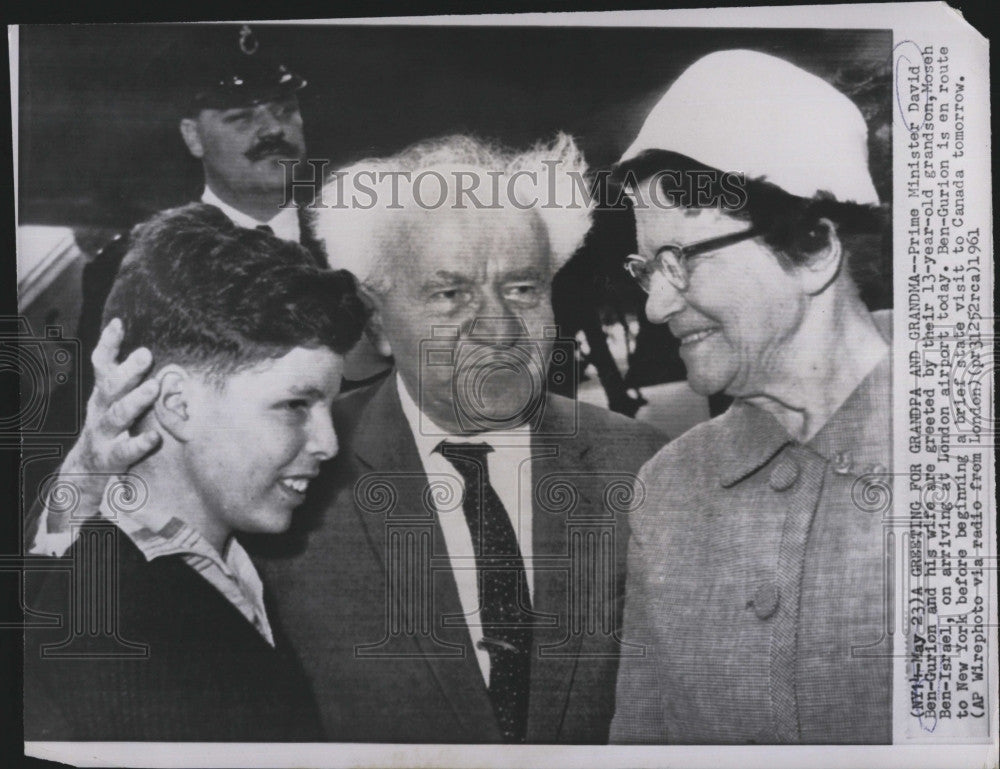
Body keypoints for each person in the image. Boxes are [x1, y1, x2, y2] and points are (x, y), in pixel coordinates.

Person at [250, 134, 668, 743]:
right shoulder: (295, 474)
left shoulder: (643, 467)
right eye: (451, 295)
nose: (499, 329)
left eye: (523, 289)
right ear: (377, 322)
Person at [608, 50, 892, 744]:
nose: (654, 305)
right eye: (647, 265)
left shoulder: (967, 445)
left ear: (814, 247)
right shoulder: (668, 488)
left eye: (682, 259)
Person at [24, 203, 367, 741]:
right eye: (296, 405)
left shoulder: (236, 554)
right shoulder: (107, 636)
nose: (328, 442)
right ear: (179, 404)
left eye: (330, 404)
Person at [75, 24, 391, 394]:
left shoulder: (368, 237)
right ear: (193, 137)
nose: (272, 129)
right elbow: (90, 409)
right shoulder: (132, 267)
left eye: (285, 109)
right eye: (242, 117)